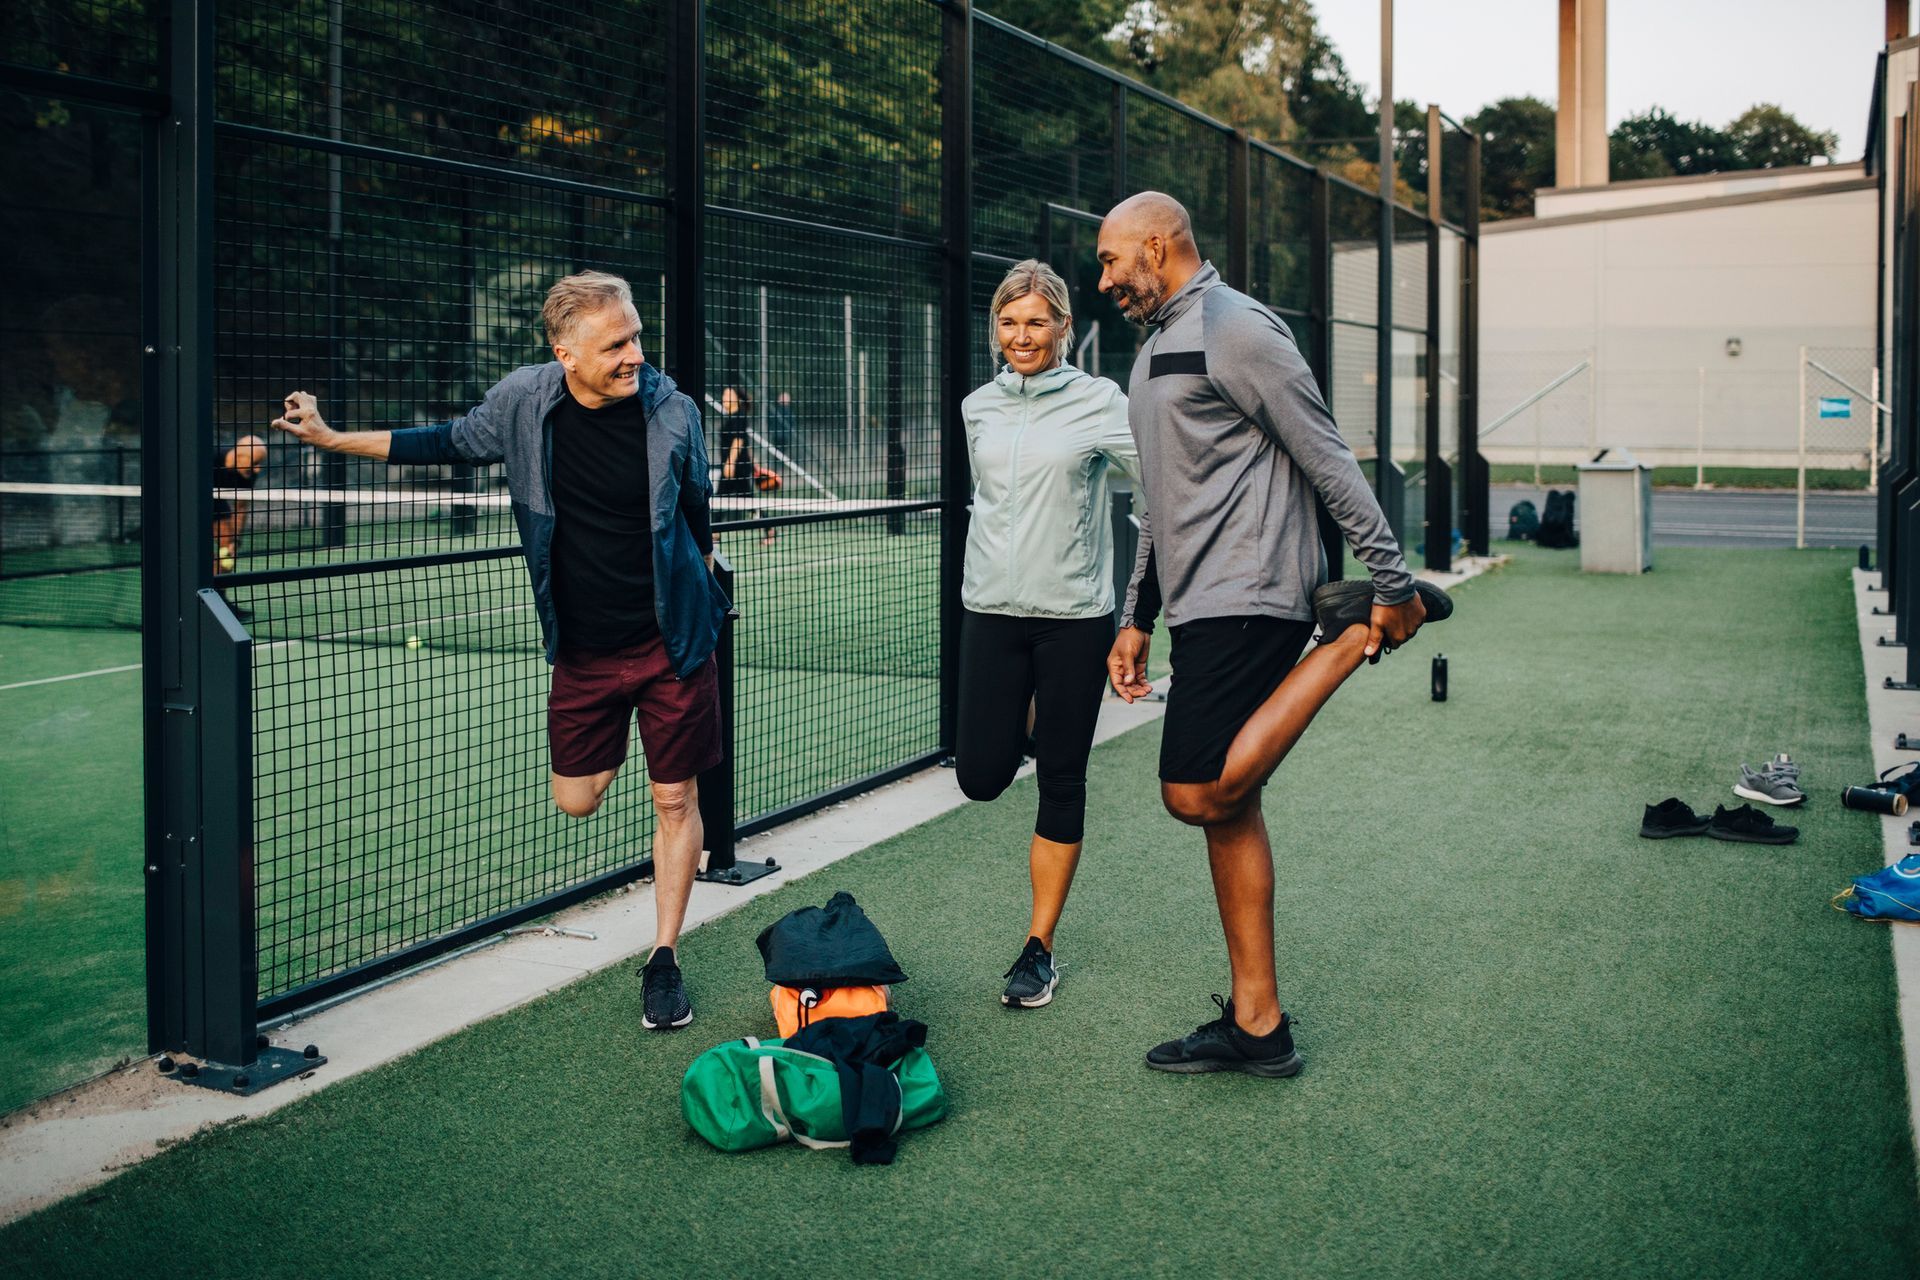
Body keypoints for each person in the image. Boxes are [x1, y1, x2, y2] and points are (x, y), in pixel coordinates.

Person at [269, 270, 731, 1033]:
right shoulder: (524, 401)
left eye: (637, 336)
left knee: (674, 798)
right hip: (582, 651)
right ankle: (620, 743)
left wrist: (704, 592)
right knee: (576, 800)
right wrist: (329, 437)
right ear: (566, 354)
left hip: (671, 643)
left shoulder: (673, 412)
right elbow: (440, 442)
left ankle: (662, 959)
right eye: (615, 344)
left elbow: (695, 509)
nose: (635, 356)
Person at [1097, 192, 1451, 1078]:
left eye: (1110, 261)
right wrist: (1136, 614)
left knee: (1191, 791)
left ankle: (1349, 642)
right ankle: (1260, 1026)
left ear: (1156, 245)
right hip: (1199, 598)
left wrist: (1393, 584)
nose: (1102, 279)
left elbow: (1328, 456)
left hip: (1252, 590)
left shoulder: (1237, 329)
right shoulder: (1154, 352)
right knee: (1231, 810)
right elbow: (1159, 505)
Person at [955, 259, 1137, 1009]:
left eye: (1036, 321)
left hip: (1073, 619)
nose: (1021, 336)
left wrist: (1135, 615)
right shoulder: (978, 407)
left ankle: (1038, 947)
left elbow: (1150, 489)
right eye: (1008, 322)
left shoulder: (1102, 402)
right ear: (994, 329)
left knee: (1062, 779)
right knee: (980, 777)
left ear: (1065, 326)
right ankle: (1032, 714)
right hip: (991, 611)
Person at [716, 385, 776, 547]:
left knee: (723, 498)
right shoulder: (732, 417)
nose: (724, 397)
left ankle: (714, 533)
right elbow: (746, 444)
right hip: (739, 465)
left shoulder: (739, 416)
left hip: (735, 466)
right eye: (724, 394)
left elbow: (738, 441)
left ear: (737, 398)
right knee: (740, 500)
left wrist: (730, 463)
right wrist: (755, 464)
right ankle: (769, 529)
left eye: (728, 394)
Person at [211, 433, 266, 576]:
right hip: (192, 502)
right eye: (255, 463)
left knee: (228, 548)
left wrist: (235, 540)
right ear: (239, 456)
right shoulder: (211, 457)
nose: (257, 469)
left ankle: (219, 591)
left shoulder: (248, 474)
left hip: (217, 503)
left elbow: (241, 507)